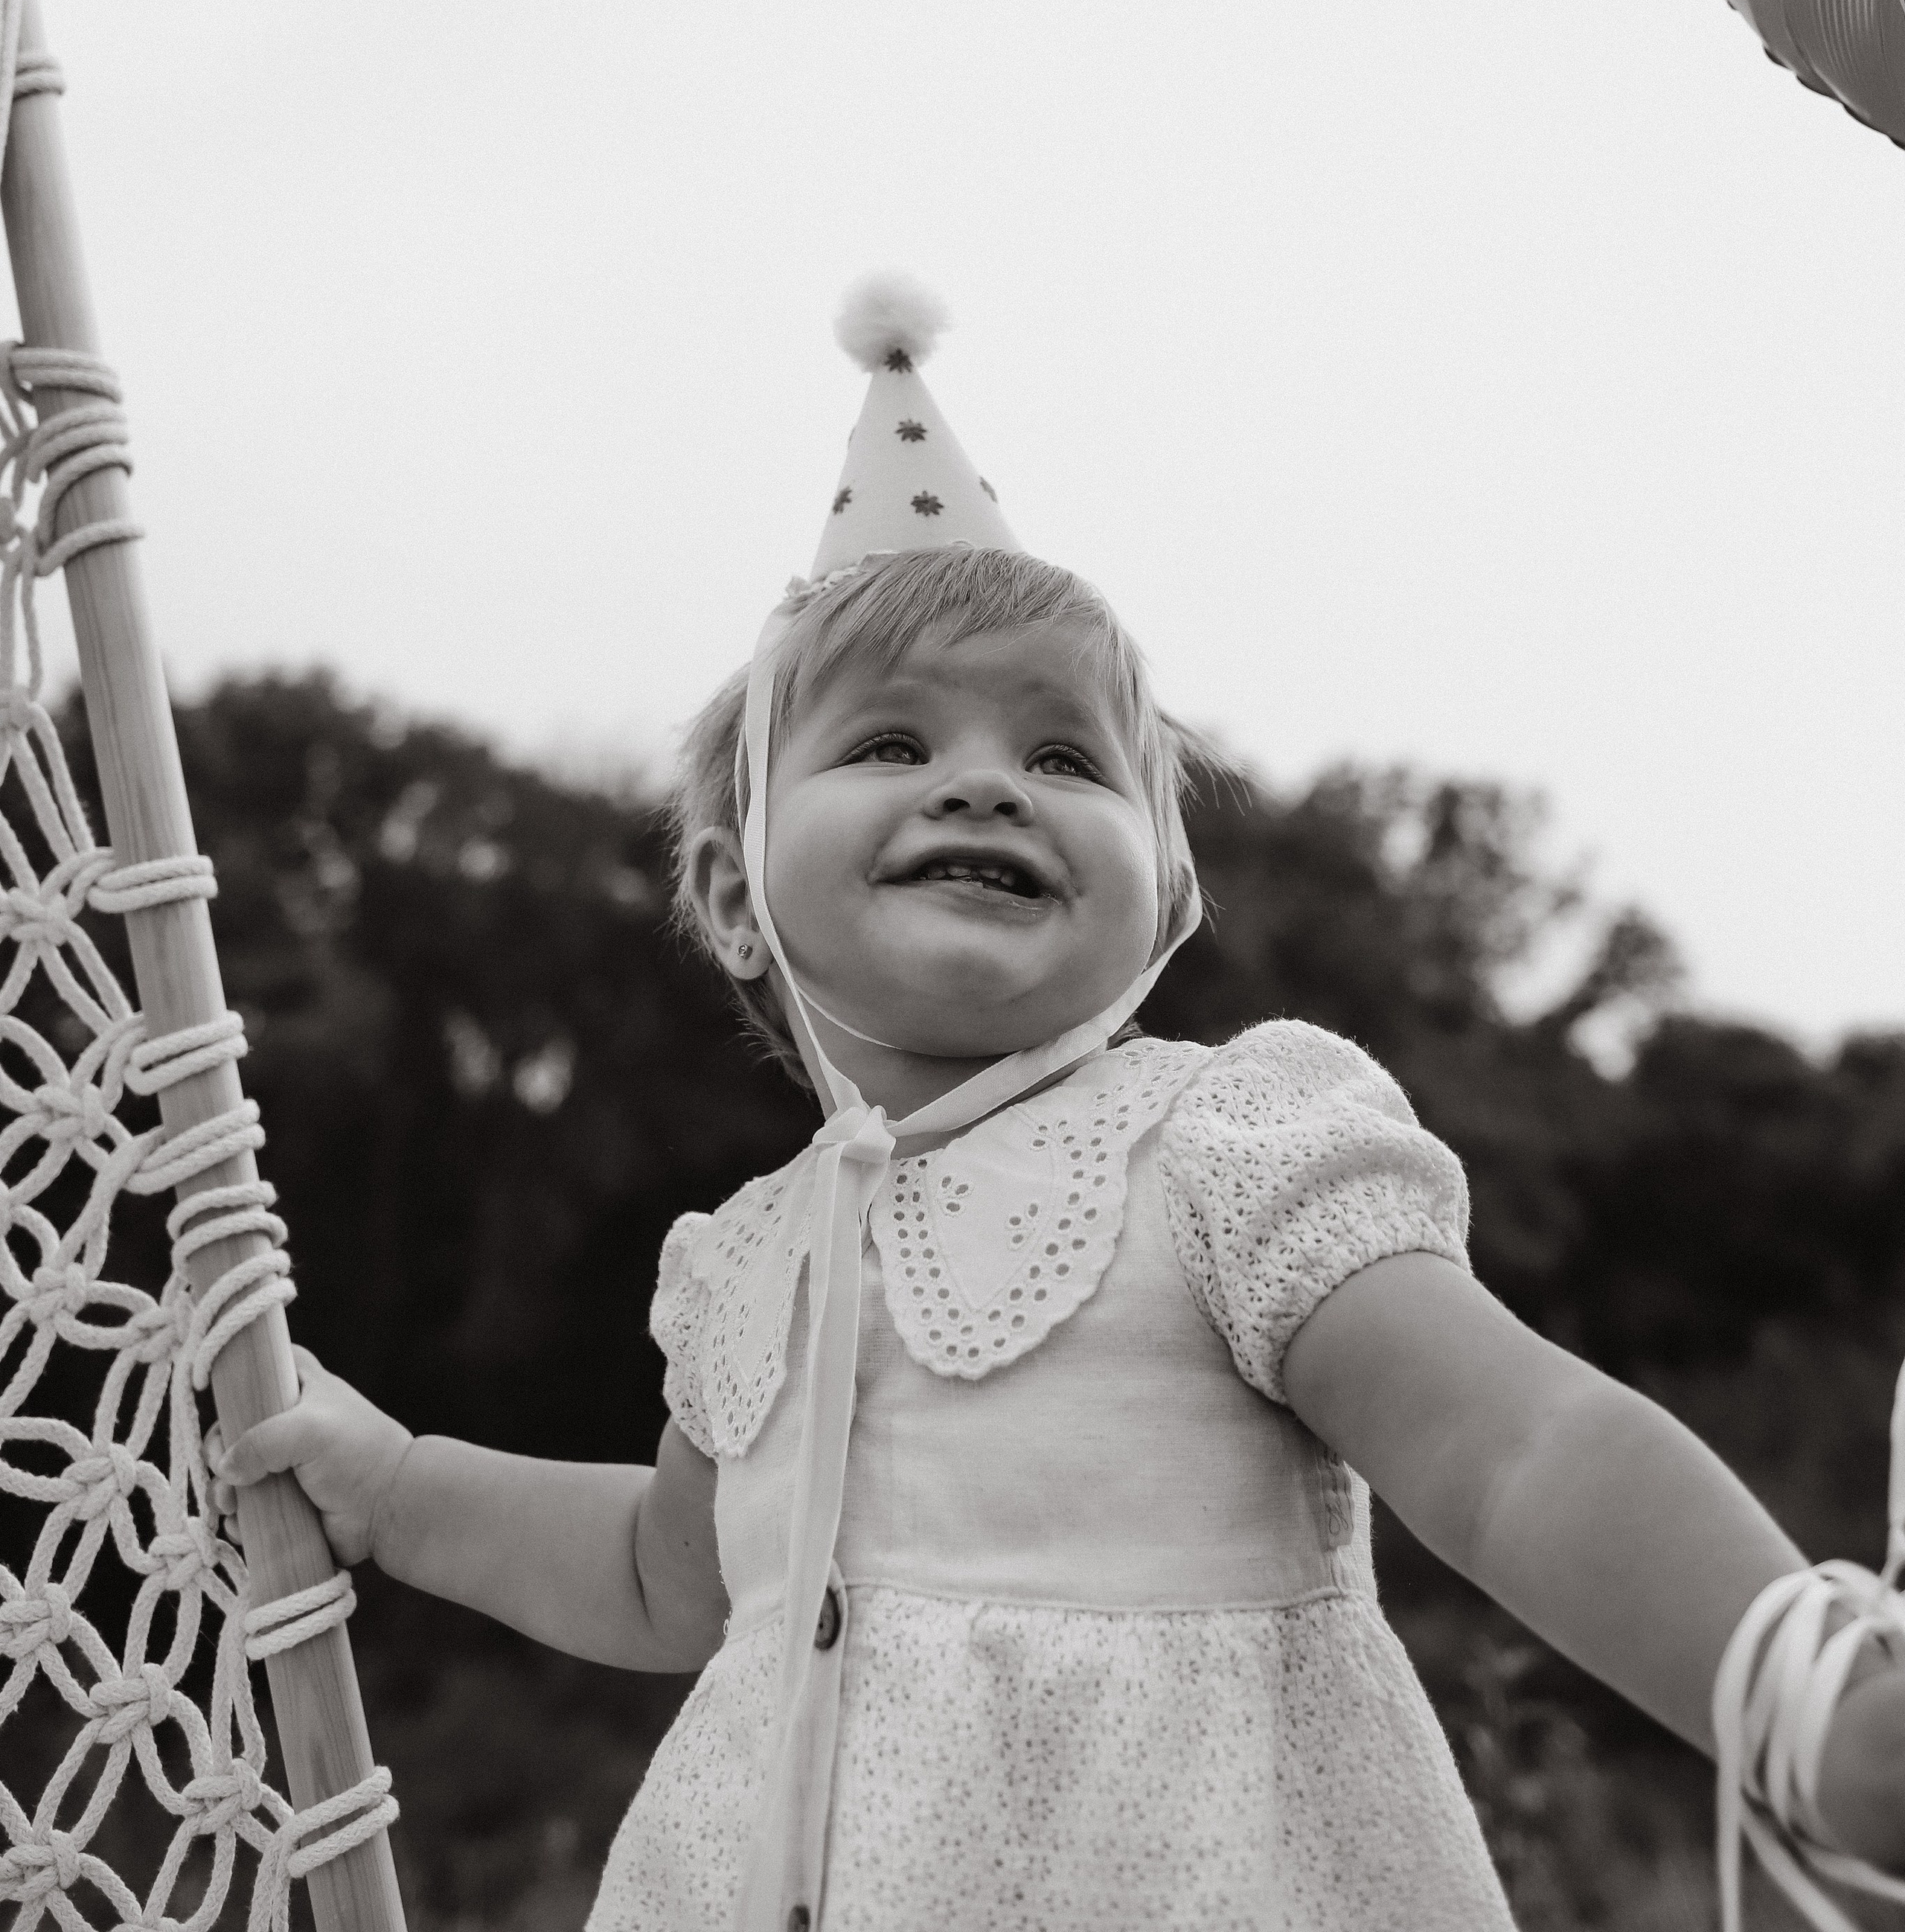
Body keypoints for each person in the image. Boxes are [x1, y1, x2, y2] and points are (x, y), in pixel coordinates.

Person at [213, 282, 1905, 1932]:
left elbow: (1511, 1447)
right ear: (733, 898)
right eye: (884, 742)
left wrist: (1796, 1701)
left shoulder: (1220, 1153)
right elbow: (666, 1579)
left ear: (1162, 905)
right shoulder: (740, 1263)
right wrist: (403, 1486)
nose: (981, 779)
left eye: (1065, 760)